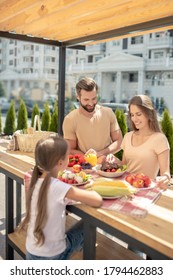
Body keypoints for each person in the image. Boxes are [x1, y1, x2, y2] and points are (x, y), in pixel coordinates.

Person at [19, 135, 102, 260]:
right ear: (61, 163)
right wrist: (90, 186)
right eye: (67, 155)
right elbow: (97, 200)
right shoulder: (58, 186)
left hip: (31, 252)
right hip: (54, 255)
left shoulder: (35, 180)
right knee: (88, 224)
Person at [108, 94, 170, 189]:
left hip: (145, 189)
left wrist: (165, 178)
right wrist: (115, 161)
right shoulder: (128, 136)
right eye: (132, 115)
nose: (134, 119)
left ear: (149, 114)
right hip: (126, 187)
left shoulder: (159, 139)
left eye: (138, 114)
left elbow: (165, 172)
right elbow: (124, 165)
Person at [62, 77, 123, 163]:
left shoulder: (108, 113)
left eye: (94, 98)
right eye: (86, 99)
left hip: (108, 165)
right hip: (84, 167)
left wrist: (99, 154)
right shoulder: (70, 119)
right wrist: (90, 158)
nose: (91, 103)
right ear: (78, 97)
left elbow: (119, 141)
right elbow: (71, 149)